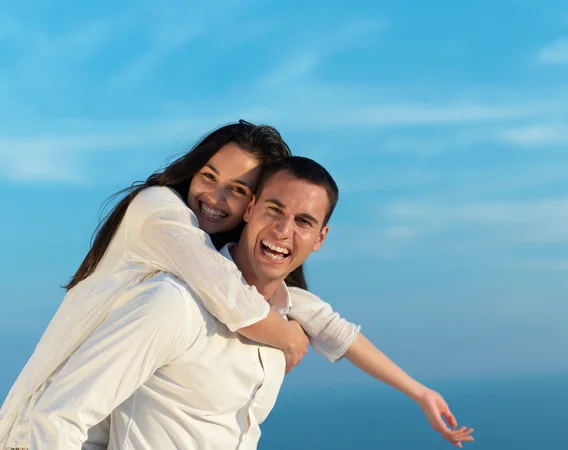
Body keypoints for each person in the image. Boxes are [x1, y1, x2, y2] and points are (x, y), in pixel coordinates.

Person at [1, 122, 472, 449]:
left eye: (303, 221)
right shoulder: (171, 281)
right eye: (273, 210)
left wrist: (421, 394)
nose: (285, 230)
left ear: (320, 238)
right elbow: (56, 417)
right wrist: (287, 336)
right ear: (253, 212)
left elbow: (336, 331)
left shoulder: (285, 307)